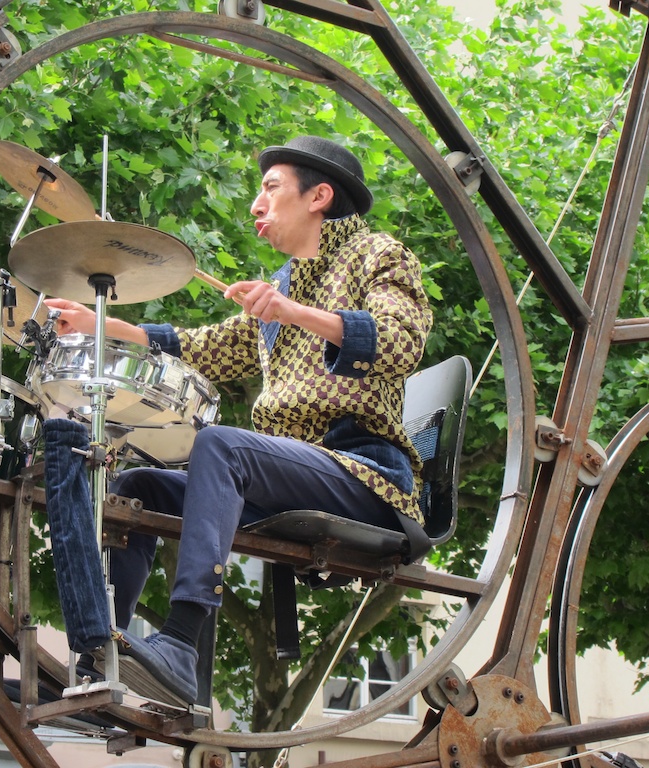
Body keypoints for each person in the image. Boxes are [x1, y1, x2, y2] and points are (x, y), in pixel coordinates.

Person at [44, 135, 433, 704]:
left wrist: (294, 313)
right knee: (139, 486)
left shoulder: (379, 254)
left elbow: (400, 343)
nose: (256, 204)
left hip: (363, 474)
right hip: (287, 481)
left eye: (271, 187)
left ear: (319, 196)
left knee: (221, 445)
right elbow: (207, 348)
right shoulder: (285, 283)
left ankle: (181, 642)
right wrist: (100, 326)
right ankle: (102, 662)